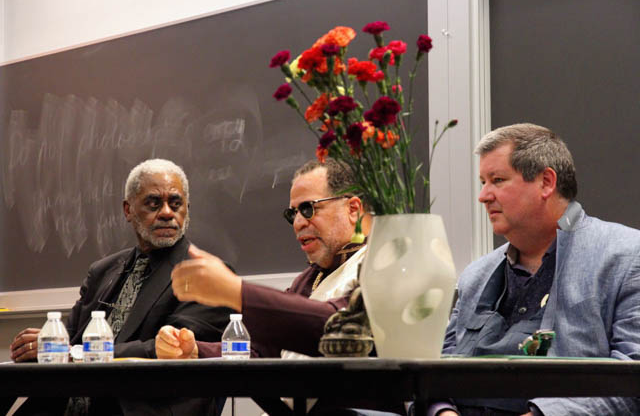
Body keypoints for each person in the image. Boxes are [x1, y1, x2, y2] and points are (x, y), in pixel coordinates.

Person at [156, 158, 402, 414]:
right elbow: (261, 351)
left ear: (353, 209)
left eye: (308, 208)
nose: (297, 223)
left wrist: (236, 291)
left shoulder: (384, 265)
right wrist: (195, 350)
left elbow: (337, 328)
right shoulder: (307, 280)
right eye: (292, 213)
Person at [433, 124, 640, 415]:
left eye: (497, 180)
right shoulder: (475, 276)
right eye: (482, 182)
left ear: (545, 182)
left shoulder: (627, 257)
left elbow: (632, 384)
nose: (483, 196)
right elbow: (434, 370)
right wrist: (442, 411)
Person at [9, 158, 231, 415]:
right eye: (153, 203)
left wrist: (77, 354)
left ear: (186, 210)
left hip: (139, 405)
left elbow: (171, 350)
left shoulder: (208, 275)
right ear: (128, 210)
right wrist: (44, 343)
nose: (167, 212)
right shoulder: (103, 270)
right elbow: (70, 338)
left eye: (176, 203)